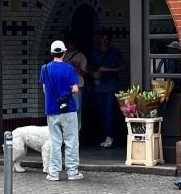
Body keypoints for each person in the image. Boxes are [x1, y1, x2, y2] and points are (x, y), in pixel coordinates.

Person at [39, 40, 82, 181]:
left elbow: (45, 90)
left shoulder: (45, 69)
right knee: (71, 141)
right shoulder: (69, 68)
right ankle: (72, 172)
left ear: (52, 53)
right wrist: (69, 89)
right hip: (68, 109)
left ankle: (54, 173)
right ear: (64, 52)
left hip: (52, 110)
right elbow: (75, 89)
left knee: (55, 142)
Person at [88, 31, 126, 148]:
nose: (104, 41)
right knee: (102, 113)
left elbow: (124, 67)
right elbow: (89, 68)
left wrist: (107, 69)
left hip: (111, 87)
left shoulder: (115, 53)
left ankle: (110, 136)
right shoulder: (95, 53)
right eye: (102, 38)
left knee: (109, 112)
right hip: (99, 87)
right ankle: (106, 136)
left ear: (110, 41)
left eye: (106, 39)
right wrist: (93, 74)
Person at [63, 34, 88, 132]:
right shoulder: (63, 55)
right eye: (67, 43)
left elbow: (85, 74)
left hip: (77, 87)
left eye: (71, 43)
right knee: (64, 110)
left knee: (77, 110)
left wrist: (77, 67)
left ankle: (76, 133)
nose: (69, 45)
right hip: (64, 87)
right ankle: (66, 133)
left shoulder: (80, 56)